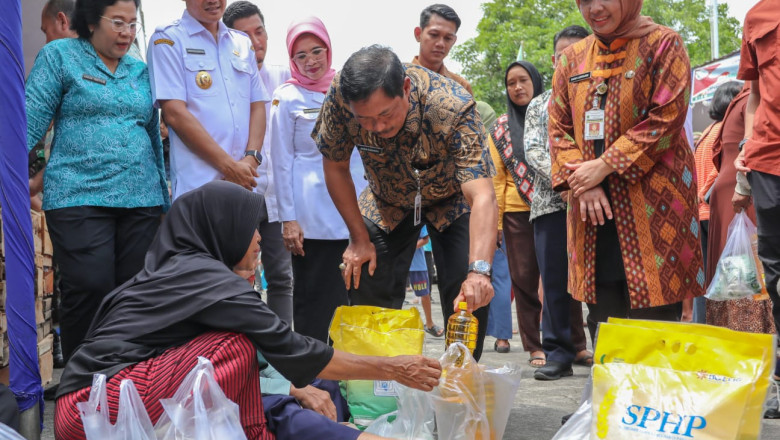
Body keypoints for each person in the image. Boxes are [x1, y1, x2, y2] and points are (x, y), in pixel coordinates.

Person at [53, 181, 441, 439]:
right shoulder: (202, 279)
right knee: (233, 348)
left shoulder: (183, 272)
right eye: (248, 227)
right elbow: (291, 349)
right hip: (92, 410)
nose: (258, 238)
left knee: (288, 375)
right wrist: (392, 367)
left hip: (102, 402)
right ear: (221, 228)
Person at [313, 45, 497, 360]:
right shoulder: (340, 96)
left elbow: (481, 194)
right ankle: (376, 386)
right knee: (365, 274)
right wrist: (358, 239)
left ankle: (459, 385)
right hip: (387, 199)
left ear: (406, 89)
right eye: (365, 120)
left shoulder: (453, 105)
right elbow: (335, 165)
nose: (378, 127)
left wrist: (479, 271)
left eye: (385, 114)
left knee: (468, 291)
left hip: (451, 199)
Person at [548, 0, 704, 344]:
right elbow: (558, 128)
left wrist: (604, 166)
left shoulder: (665, 44)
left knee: (656, 324)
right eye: (585, 1)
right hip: (593, 213)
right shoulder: (571, 58)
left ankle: (650, 399)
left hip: (654, 209)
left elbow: (667, 118)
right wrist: (583, 182)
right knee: (604, 321)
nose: (595, 8)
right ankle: (609, 396)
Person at [25, 0, 169, 361]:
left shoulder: (140, 70)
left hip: (141, 199)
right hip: (78, 196)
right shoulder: (60, 56)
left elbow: (153, 135)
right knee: (90, 286)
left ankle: (128, 382)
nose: (127, 32)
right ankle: (84, 384)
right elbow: (26, 124)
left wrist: (164, 201)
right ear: (91, 20)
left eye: (132, 24)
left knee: (133, 294)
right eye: (117, 22)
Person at [270, 16, 367, 341]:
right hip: (311, 219)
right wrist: (289, 219)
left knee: (355, 301)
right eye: (301, 56)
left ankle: (356, 378)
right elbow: (280, 161)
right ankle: (313, 379)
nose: (311, 61)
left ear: (328, 48)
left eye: (317, 51)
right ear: (291, 59)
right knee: (314, 299)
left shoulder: (347, 88)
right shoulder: (286, 98)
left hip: (356, 210)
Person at [523, 24, 592, 381]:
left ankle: (607, 348)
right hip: (552, 204)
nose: (571, 60)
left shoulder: (600, 94)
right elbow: (534, 150)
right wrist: (568, 181)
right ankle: (558, 352)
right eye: (564, 54)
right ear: (553, 59)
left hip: (596, 202)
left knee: (598, 280)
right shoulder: (539, 103)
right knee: (554, 282)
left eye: (578, 52)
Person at [147, 0, 267, 199]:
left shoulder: (242, 43)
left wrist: (251, 159)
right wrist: (230, 168)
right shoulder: (168, 39)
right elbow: (175, 114)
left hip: (244, 183)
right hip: (199, 188)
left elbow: (257, 106)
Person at [224, 1, 294, 324]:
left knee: (282, 276)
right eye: (244, 35)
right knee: (239, 273)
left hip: (278, 196)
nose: (255, 42)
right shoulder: (224, 85)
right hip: (240, 191)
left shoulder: (285, 78)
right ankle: (245, 352)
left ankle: (283, 350)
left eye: (259, 31)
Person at [734, 0, 780, 413]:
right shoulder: (759, 15)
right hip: (767, 160)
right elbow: (753, 96)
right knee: (776, 271)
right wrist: (746, 157)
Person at [488, 60, 546, 367]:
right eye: (511, 83)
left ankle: (572, 342)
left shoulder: (555, 118)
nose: (518, 87)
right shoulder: (499, 127)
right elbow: (496, 178)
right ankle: (534, 345)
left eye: (523, 80)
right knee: (523, 280)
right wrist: (496, 223)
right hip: (515, 211)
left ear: (536, 82)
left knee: (560, 278)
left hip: (554, 207)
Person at [705, 81, 775, 336]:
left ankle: (734, 336)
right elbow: (751, 149)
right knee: (747, 270)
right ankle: (751, 335)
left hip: (732, 190)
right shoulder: (752, 102)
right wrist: (744, 188)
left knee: (735, 268)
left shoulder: (743, 101)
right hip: (743, 190)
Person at [693, 81, 742, 323]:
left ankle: (702, 328)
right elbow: (718, 170)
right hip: (716, 213)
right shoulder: (726, 129)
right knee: (729, 280)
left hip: (701, 214)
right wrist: (705, 191)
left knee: (706, 280)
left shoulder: (707, 132)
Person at [410, 3, 473, 95]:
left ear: (454, 41)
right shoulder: (397, 78)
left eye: (448, 38)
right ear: (418, 34)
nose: (441, 44)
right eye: (434, 35)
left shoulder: (461, 87)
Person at [408, 226, 444, 337]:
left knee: (425, 294)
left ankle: (429, 324)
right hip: (397, 263)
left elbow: (425, 239)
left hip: (417, 264)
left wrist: (406, 249)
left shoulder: (417, 218)